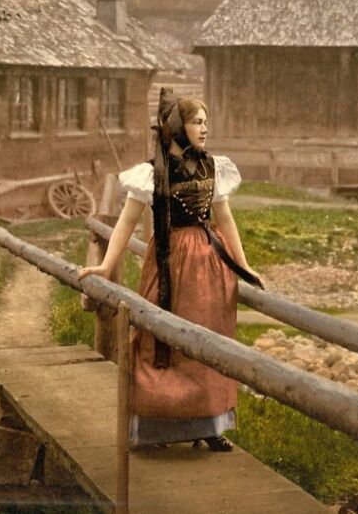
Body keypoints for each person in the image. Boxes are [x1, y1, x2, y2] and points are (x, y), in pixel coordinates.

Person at [79, 88, 263, 452]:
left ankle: (209, 425)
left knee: (209, 342)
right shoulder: (151, 174)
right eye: (197, 122)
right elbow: (126, 223)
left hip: (210, 266)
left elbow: (225, 220)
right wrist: (105, 265)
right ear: (178, 128)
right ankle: (155, 429)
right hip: (169, 263)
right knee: (157, 340)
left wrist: (242, 266)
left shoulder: (213, 167)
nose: (205, 129)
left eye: (206, 122)